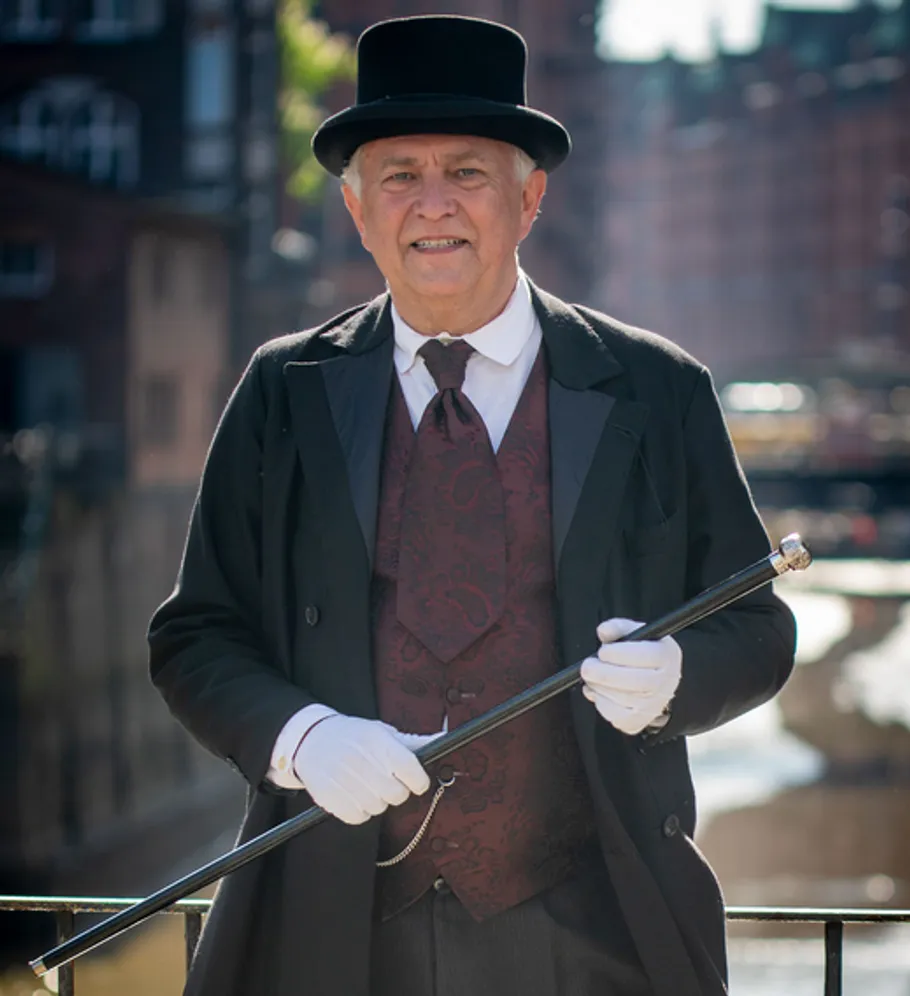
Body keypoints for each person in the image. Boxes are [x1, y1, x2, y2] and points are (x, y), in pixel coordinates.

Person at [148, 14, 796, 996]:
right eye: (398, 175)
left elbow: (755, 629)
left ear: (529, 198)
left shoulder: (657, 388)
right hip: (331, 941)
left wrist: (674, 678)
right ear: (358, 212)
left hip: (597, 941)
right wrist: (302, 739)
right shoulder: (282, 393)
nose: (432, 204)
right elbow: (196, 637)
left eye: (468, 173)